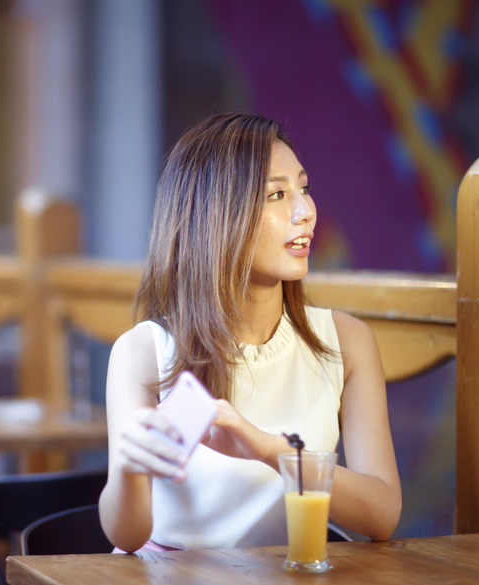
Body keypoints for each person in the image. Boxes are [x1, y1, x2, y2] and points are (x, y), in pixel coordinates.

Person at [99, 113, 402, 553]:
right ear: (214, 217)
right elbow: (126, 537)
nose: (306, 211)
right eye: (278, 194)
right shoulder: (145, 351)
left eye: (304, 188)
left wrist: (271, 451)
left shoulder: (347, 342)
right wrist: (128, 469)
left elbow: (383, 515)